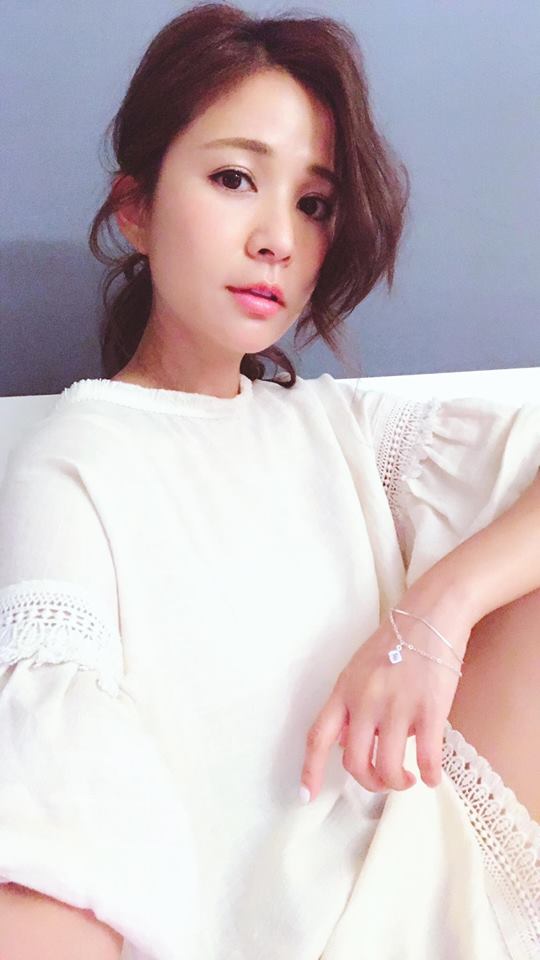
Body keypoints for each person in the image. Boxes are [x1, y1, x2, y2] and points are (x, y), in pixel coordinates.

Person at [0, 3, 538, 957]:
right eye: (234, 178)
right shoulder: (78, 462)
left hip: (440, 867)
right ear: (135, 208)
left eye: (314, 203)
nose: (277, 238)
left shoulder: (342, 431)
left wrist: (435, 612)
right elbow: (58, 811)